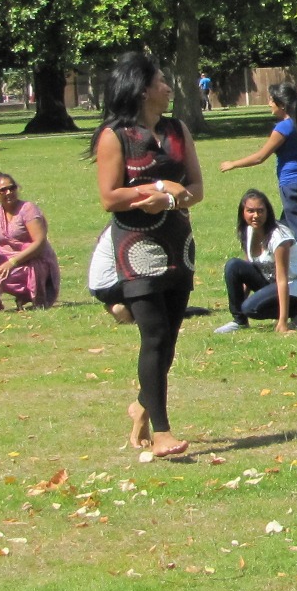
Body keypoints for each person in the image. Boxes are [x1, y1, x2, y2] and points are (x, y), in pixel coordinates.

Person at [93, 52, 204, 458]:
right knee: (153, 335)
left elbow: (195, 188)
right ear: (141, 90)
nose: (167, 85)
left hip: (179, 244)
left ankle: (142, 404)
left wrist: (174, 202)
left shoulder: (177, 130)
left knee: (169, 339)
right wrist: (154, 189)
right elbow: (109, 197)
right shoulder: (114, 137)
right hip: (136, 248)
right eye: (160, 80)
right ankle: (162, 432)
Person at [218, 82, 297, 291]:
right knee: (280, 230)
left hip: (292, 186)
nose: (269, 104)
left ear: (281, 104)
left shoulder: (284, 127)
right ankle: (269, 273)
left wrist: (233, 163)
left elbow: (260, 157)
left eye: (271, 101)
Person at [216, 189, 297, 333]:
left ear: (268, 212)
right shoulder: (248, 231)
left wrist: (282, 323)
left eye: (260, 211)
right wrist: (241, 307)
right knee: (233, 265)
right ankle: (239, 322)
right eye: (250, 211)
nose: (256, 216)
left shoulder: (278, 237)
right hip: (273, 281)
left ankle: (296, 310)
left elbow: (283, 280)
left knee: (251, 308)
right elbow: (249, 267)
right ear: (243, 212)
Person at [0, 171, 61, 311]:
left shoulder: (28, 209)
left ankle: (29, 295)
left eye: (12, 188)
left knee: (0, 276)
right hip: (6, 259)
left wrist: (12, 262)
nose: (8, 192)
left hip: (33, 259)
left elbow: (40, 242)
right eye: (3, 190)